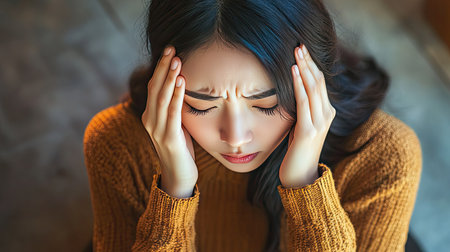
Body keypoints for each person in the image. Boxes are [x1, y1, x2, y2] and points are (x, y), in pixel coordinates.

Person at [83, 0, 422, 251]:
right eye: (201, 105)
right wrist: (174, 191)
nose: (236, 138)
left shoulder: (383, 155)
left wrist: (305, 185)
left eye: (266, 103)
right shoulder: (117, 144)